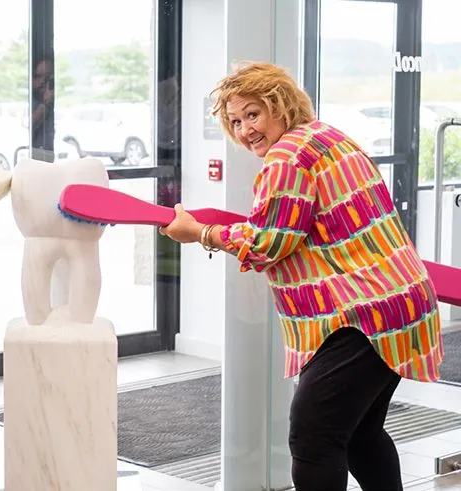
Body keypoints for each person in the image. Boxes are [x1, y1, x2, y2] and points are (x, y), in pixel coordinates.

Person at [159, 61, 443, 490]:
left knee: (313, 439)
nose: (244, 130)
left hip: (360, 315)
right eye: (234, 121)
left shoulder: (286, 157)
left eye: (253, 114)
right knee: (361, 433)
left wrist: (201, 233)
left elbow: (269, 242)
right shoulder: (327, 138)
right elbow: (300, 224)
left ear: (281, 105)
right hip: (400, 303)